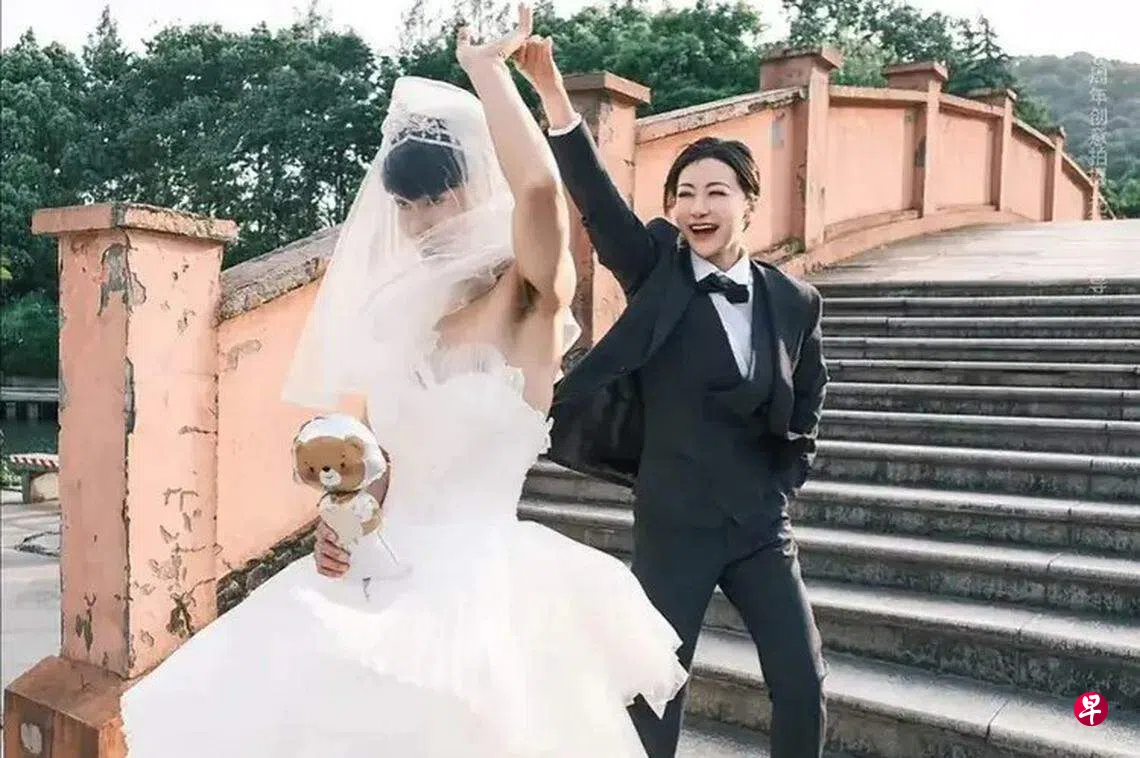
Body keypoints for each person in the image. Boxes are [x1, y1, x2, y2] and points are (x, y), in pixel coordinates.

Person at [118, 7, 687, 756]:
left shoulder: (528, 301)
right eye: (407, 205)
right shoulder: (405, 322)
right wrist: (342, 523)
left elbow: (541, 195)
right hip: (375, 579)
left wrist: (487, 70)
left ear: (478, 193)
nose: (423, 221)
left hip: (478, 594)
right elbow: (382, 466)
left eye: (438, 198)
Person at [512, 36, 830, 758]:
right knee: (655, 689)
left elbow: (809, 396)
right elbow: (597, 200)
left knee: (802, 680)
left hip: (759, 524)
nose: (697, 207)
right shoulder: (657, 269)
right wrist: (553, 94)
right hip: (673, 523)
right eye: (684, 193)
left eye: (716, 192)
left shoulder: (794, 301)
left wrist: (784, 481)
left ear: (749, 203)